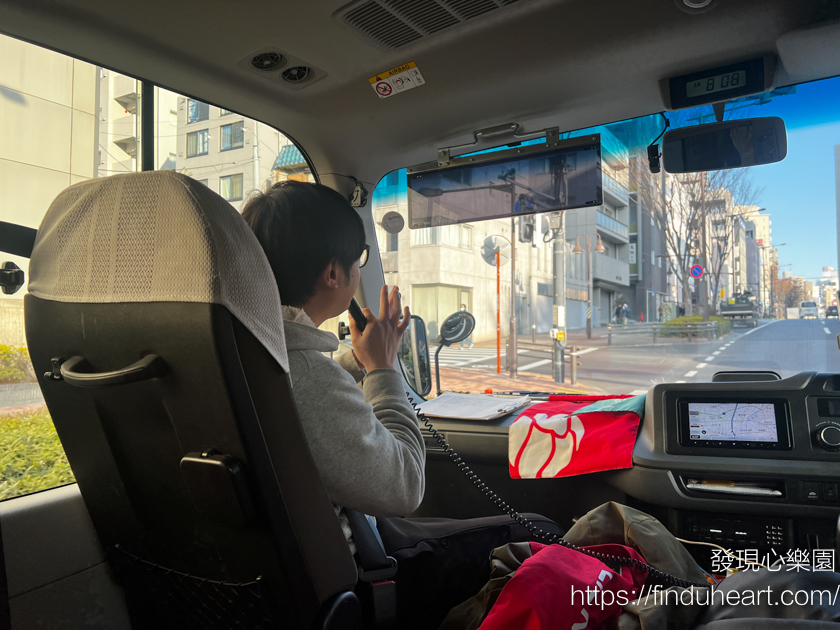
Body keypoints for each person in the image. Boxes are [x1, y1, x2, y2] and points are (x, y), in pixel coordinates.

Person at [242, 181, 561, 630]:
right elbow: (405, 487)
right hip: (362, 580)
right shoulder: (303, 375)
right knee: (542, 534)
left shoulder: (244, 354)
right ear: (333, 274)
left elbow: (313, 397)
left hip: (279, 585)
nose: (358, 270)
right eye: (358, 259)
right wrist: (385, 371)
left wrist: (361, 361)